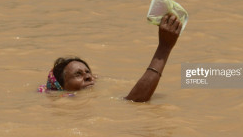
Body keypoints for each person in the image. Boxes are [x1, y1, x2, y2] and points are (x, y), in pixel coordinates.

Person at [38, 13, 182, 102]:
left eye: (88, 72)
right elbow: (135, 101)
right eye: (78, 74)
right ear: (61, 88)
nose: (88, 77)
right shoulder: (68, 105)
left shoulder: (94, 100)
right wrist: (164, 47)